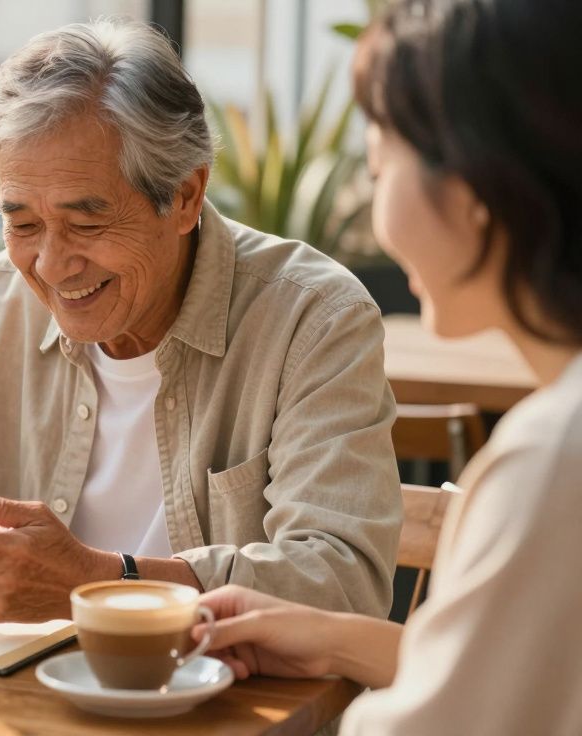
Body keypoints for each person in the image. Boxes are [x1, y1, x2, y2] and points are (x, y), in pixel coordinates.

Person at [0, 18, 402, 624]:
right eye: (23, 223)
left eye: (87, 223)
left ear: (186, 196)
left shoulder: (313, 318)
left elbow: (342, 582)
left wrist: (97, 585)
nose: (52, 265)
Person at [192, 1, 582, 732]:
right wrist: (332, 638)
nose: (374, 210)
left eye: (379, 169)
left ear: (474, 187)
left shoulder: (556, 455)